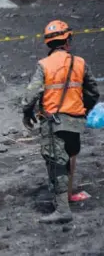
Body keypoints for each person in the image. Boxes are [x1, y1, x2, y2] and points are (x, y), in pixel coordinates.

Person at [22, 20, 99, 224]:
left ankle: (63, 210)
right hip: (75, 122)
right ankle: (68, 195)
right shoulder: (80, 62)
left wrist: (26, 113)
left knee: (56, 163)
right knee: (69, 156)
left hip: (53, 123)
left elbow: (31, 95)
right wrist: (83, 110)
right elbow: (93, 92)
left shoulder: (44, 65)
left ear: (49, 43)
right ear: (67, 40)